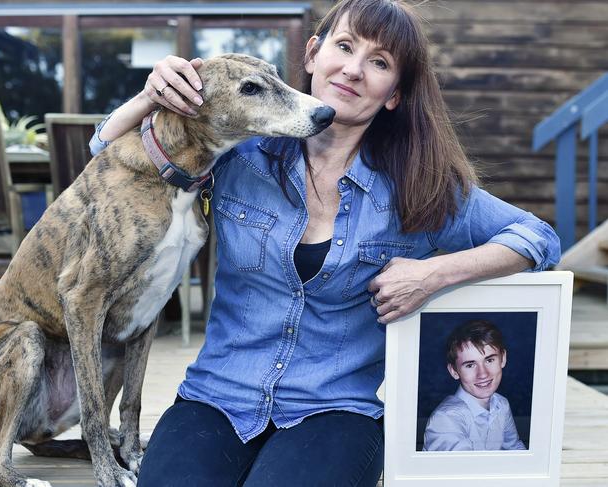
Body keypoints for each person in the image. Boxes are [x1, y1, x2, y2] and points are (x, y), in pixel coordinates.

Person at [89, 0, 559, 484]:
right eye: (344, 46)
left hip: (337, 409)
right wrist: (150, 96)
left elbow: (537, 238)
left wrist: (432, 274)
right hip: (218, 396)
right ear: (313, 54)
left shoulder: (419, 185)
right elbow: (106, 158)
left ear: (394, 94)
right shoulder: (239, 154)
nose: (354, 70)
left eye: (379, 63)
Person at [423, 320, 527, 451]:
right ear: (454, 371)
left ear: (503, 358)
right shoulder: (445, 420)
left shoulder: (501, 404)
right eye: (470, 365)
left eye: (489, 360)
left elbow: (515, 450)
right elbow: (465, 470)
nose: (483, 374)